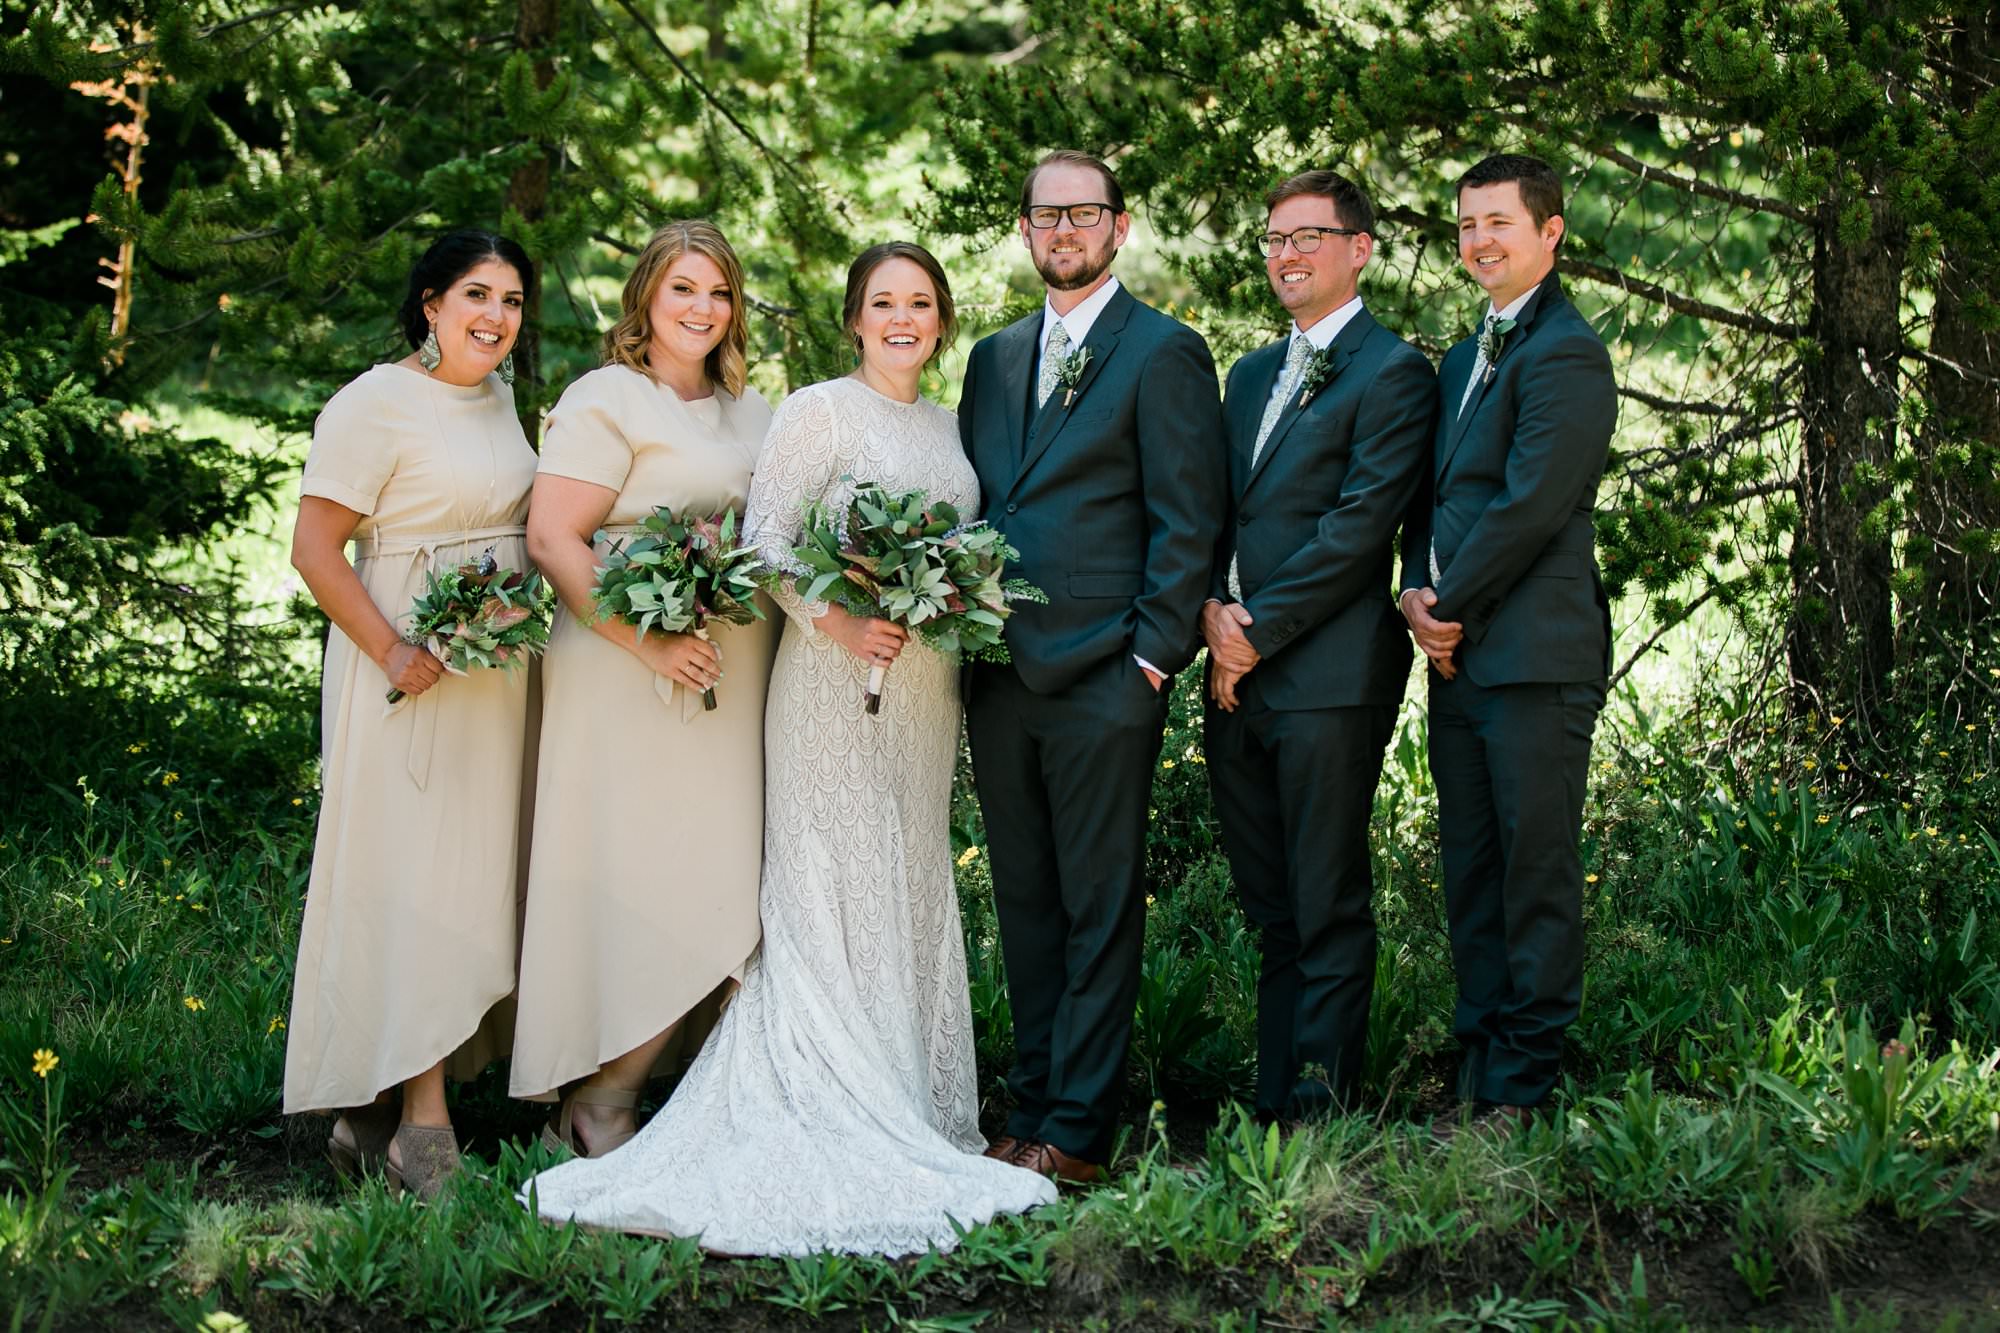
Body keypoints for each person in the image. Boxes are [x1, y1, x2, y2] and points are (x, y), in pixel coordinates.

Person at [521, 242, 1056, 1255]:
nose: (903, 318)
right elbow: (766, 541)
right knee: (828, 878)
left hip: (923, 691)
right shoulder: (815, 409)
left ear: (941, 320)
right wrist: (843, 625)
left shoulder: (950, 430)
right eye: (882, 302)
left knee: (902, 876)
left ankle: (904, 1095)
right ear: (853, 318)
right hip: (827, 685)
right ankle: (820, 1095)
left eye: (921, 303)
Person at [959, 151, 1226, 1183]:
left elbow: (1187, 518)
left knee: (1098, 902)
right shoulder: (989, 357)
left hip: (1108, 674)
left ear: (1119, 227)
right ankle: (1026, 1109)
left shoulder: (1162, 351)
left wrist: (1152, 661)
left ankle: (1074, 1129)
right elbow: (988, 505)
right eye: (1044, 214)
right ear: (1024, 230)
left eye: (1083, 213)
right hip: (997, 677)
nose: (1062, 230)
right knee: (1024, 901)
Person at [511, 221, 779, 1155]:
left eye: (720, 292)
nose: (704, 309)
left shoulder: (755, 413)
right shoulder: (606, 398)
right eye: (684, 290)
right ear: (646, 301)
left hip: (732, 678)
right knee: (633, 871)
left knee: (720, 877)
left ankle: (636, 1084)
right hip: (624, 672)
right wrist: (648, 644)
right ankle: (599, 1096)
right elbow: (554, 539)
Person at [283, 229, 540, 1199]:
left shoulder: (499, 397)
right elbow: (314, 549)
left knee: (468, 878)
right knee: (415, 876)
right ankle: (421, 1123)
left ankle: (372, 1101)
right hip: (405, 670)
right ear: (429, 303)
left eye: (512, 301)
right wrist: (393, 646)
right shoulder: (371, 403)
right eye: (477, 294)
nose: (495, 317)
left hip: (492, 674)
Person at [1202, 170, 1438, 1123]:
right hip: (1234, 677)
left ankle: (1323, 1103)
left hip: (1330, 676)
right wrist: (1211, 617)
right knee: (1272, 910)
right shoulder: (1251, 373)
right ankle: (1272, 1103)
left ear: (1360, 248)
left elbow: (1357, 528)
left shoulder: (1395, 372)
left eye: (1308, 236)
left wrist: (1250, 634)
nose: (1286, 255)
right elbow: (1219, 508)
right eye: (1273, 239)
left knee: (1326, 898)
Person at [1397, 153, 1617, 1131]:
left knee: (1533, 869)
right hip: (1457, 653)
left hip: (1532, 656)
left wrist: (1446, 603)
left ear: (1549, 231)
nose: (1478, 240)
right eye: (1466, 224)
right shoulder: (1460, 356)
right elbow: (1432, 496)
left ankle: (1522, 1081)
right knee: (1471, 864)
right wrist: (1411, 586)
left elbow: (1530, 506)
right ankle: (1478, 1056)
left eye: (1498, 222)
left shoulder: (1565, 353)